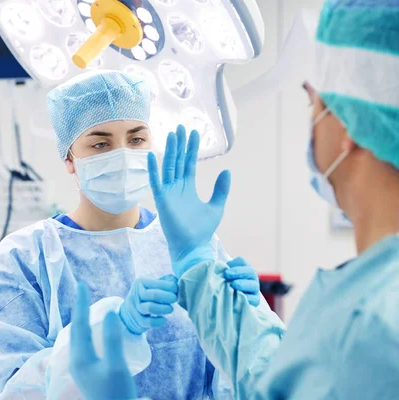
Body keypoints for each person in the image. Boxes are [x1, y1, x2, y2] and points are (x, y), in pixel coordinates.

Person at [69, 0, 399, 398]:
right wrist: (198, 265)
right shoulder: (368, 303)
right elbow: (277, 377)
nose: (310, 121)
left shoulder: (373, 327)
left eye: (314, 104)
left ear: (349, 124)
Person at [0, 70, 265, 399]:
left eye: (136, 139)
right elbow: (14, 391)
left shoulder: (189, 245)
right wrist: (111, 334)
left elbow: (238, 384)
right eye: (100, 143)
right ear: (69, 159)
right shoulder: (26, 258)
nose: (122, 154)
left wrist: (243, 323)